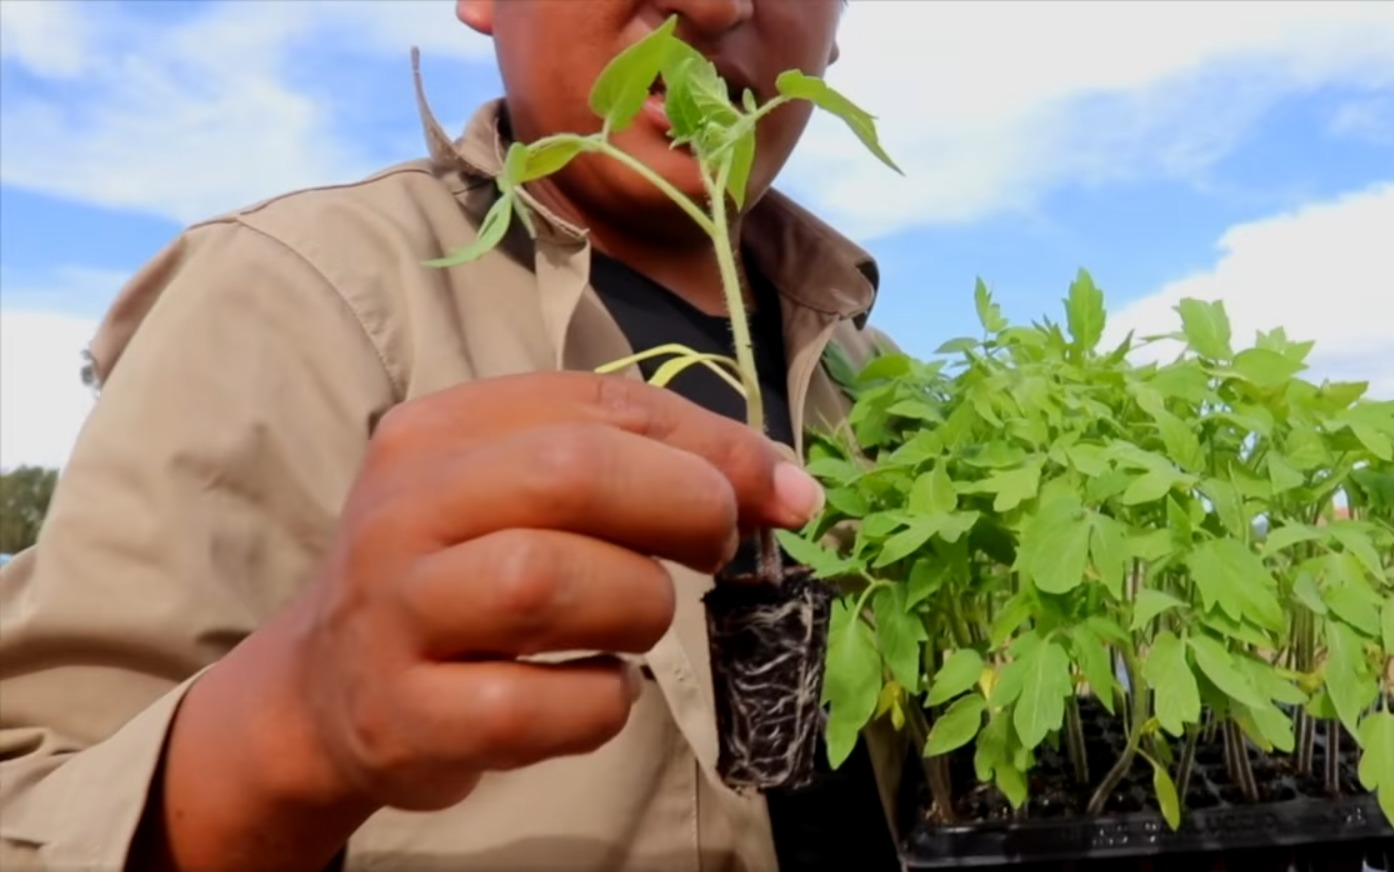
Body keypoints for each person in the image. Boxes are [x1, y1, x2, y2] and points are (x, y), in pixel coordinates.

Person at [0, 2, 904, 870]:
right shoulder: (292, 292)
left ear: (838, 30)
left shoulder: (875, 373)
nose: (711, 4)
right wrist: (290, 737)